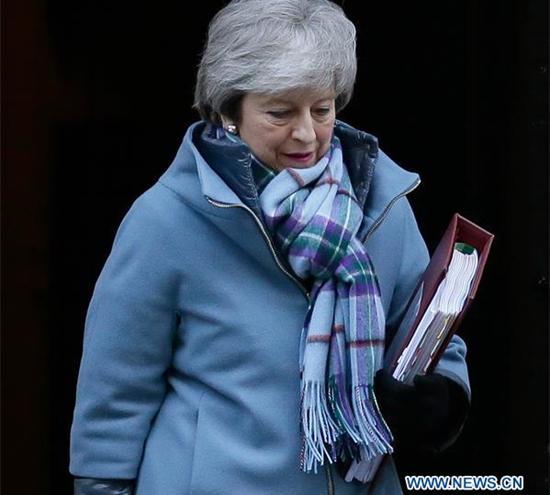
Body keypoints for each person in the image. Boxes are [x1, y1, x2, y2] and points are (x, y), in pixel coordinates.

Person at [69, 1, 470, 494]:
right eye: (280, 112)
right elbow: (116, 391)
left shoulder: (380, 203)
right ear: (227, 111)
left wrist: (441, 398)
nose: (306, 133)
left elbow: (430, 327)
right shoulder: (165, 219)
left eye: (322, 109)